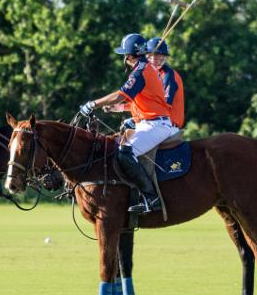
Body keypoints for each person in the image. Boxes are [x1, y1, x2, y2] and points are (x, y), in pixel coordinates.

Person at [79, 33, 178, 213]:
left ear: (130, 56)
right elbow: (140, 102)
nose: (124, 58)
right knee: (118, 147)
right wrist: (117, 108)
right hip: (147, 123)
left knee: (125, 153)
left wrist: (93, 104)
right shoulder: (144, 69)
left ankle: (151, 198)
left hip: (156, 125)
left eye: (125, 55)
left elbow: (120, 95)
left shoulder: (141, 71)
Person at [146, 37, 185, 129]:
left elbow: (164, 105)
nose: (154, 59)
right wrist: (122, 107)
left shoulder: (169, 75)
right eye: (151, 55)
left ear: (165, 58)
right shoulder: (152, 75)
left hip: (169, 125)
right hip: (156, 122)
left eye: (158, 56)